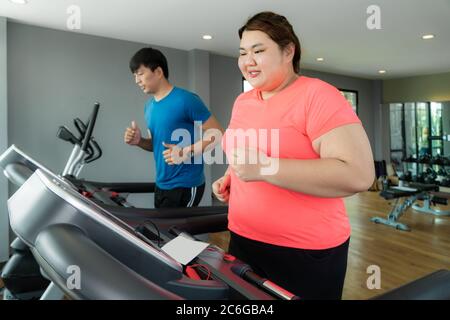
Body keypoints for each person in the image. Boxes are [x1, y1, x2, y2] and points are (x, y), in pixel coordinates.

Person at [213, 12, 375, 299]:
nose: (247, 61)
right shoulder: (243, 101)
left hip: (304, 250)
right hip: (243, 238)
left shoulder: (318, 95)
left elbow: (358, 174)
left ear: (288, 51)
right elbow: (244, 152)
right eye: (242, 53)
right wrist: (230, 176)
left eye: (258, 51)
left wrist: (263, 168)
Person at [125, 47, 223, 208]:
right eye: (134, 75)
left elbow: (218, 134)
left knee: (178, 233)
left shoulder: (186, 100)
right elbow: (157, 145)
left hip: (186, 183)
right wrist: (140, 141)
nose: (136, 80)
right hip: (162, 183)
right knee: (162, 233)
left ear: (158, 72)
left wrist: (185, 152)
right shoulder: (149, 106)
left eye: (140, 73)